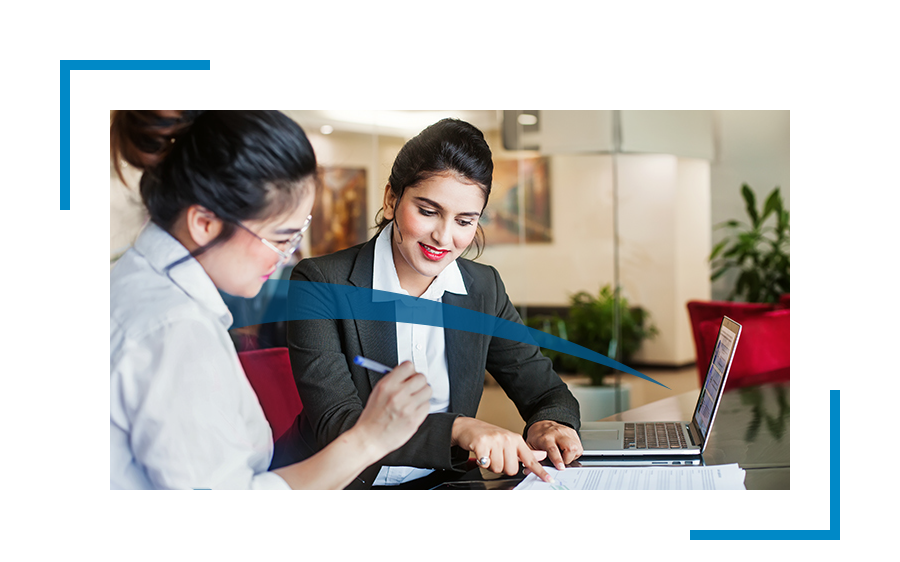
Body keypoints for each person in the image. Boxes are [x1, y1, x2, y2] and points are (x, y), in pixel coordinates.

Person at [109, 110, 431, 490]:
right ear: (205, 223)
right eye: (280, 238)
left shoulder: (136, 282)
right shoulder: (175, 332)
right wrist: (369, 438)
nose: (286, 257)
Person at [284, 118, 582, 487]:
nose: (444, 236)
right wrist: (459, 429)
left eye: (464, 220)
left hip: (446, 484)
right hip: (341, 487)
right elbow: (338, 423)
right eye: (427, 211)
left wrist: (551, 424)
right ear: (392, 199)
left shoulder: (482, 288)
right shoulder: (320, 282)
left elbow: (547, 392)